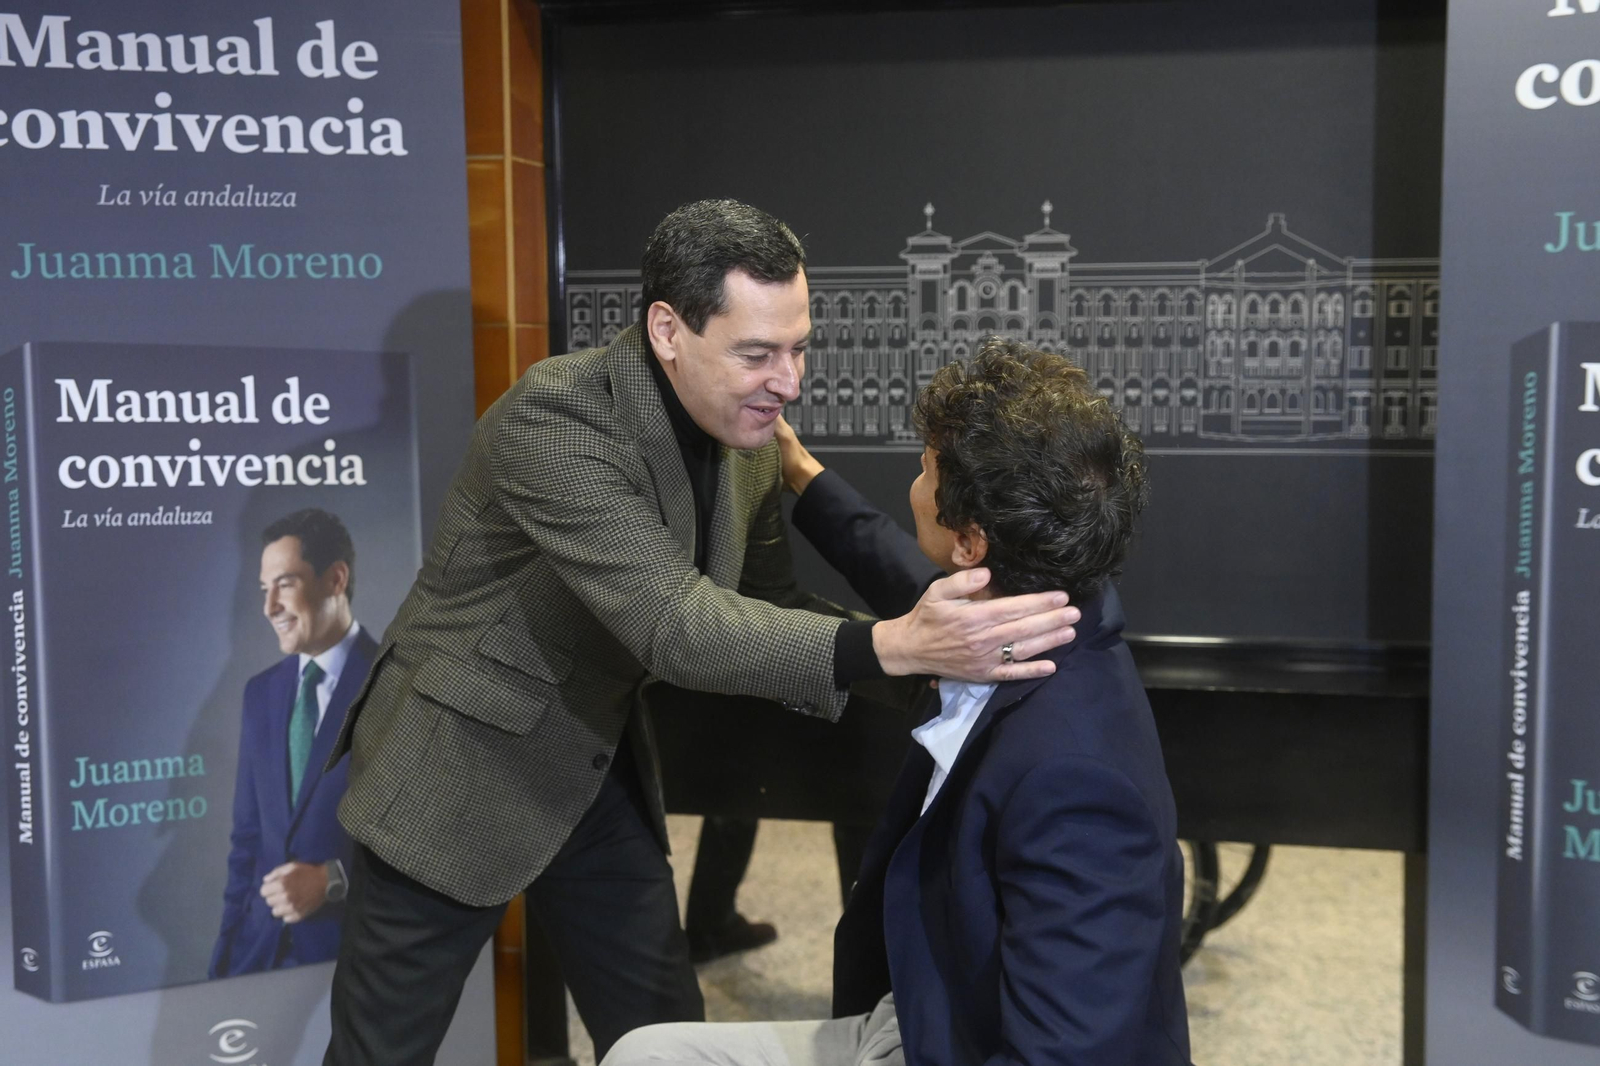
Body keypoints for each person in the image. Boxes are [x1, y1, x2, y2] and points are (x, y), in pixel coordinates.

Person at [320, 201, 1083, 1065]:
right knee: (379, 1053)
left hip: (588, 761)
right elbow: (673, 624)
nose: (788, 382)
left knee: (661, 1035)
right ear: (667, 329)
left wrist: (933, 654)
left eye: (798, 348)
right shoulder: (557, 420)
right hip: (457, 760)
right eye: (757, 354)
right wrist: (903, 644)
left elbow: (768, 603)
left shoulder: (747, 433)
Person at [603, 337, 1192, 1066]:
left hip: (956, 1042)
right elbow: (907, 578)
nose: (914, 480)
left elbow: (1065, 1054)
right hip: (929, 1013)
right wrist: (801, 473)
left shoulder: (1074, 780)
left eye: (924, 467)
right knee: (644, 1054)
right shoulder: (1048, 608)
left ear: (971, 543)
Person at [210, 509, 375, 978]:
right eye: (265, 590)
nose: (270, 608)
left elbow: (430, 839)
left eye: (284, 584)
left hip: (354, 960)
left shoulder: (398, 685)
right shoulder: (259, 694)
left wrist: (333, 880)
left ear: (335, 579)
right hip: (256, 955)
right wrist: (222, 965)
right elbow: (247, 842)